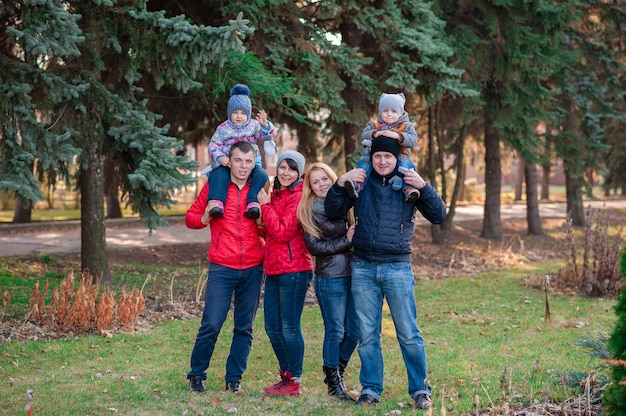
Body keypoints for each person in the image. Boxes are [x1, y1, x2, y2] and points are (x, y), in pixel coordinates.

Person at [325, 136, 447, 410]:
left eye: (388, 157)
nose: (382, 161)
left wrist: (424, 187)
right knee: (368, 334)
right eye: (378, 156)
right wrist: (339, 182)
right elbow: (333, 210)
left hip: (397, 268)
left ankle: (420, 390)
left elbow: (439, 216)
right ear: (372, 158)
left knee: (408, 333)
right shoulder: (361, 182)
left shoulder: (408, 184)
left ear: (396, 158)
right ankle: (370, 389)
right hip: (363, 267)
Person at [185, 141, 266, 395]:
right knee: (211, 323)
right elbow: (190, 218)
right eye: (239, 161)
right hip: (222, 267)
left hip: (253, 267)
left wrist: (264, 218)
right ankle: (197, 374)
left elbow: (268, 228)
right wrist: (205, 217)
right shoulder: (215, 186)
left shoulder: (260, 187)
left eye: (248, 161)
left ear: (254, 163)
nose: (243, 166)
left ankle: (234, 378)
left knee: (244, 327)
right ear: (228, 161)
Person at [297, 162, 359, 401]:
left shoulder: (346, 202)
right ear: (310, 188)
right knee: (335, 331)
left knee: (355, 331)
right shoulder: (309, 210)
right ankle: (333, 381)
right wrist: (346, 240)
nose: (322, 184)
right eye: (316, 182)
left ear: (333, 179)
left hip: (356, 274)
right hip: (330, 277)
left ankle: (337, 371)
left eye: (325, 179)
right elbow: (315, 247)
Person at [258, 150, 314, 397]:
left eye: (292, 169)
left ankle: (295, 380)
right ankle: (286, 375)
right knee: (272, 326)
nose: (286, 172)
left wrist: (265, 207)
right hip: (274, 268)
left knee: (290, 326)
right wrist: (262, 219)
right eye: (283, 167)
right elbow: (271, 233)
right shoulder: (277, 194)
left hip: (295, 269)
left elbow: (283, 232)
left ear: (299, 173)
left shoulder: (299, 196)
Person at [205, 84, 277, 220]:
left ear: (248, 114)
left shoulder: (254, 125)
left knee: (261, 175)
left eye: (243, 113)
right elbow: (213, 144)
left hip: (251, 162)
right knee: (218, 175)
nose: (239, 116)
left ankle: (253, 203)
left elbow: (267, 135)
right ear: (229, 113)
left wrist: (265, 125)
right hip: (229, 162)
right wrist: (220, 157)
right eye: (235, 112)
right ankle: (217, 204)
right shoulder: (223, 128)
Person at [345, 92, 420, 204]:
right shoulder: (374, 125)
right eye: (385, 111)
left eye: (394, 111)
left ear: (400, 112)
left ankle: (409, 190)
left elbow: (413, 139)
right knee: (363, 167)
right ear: (381, 111)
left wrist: (399, 136)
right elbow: (364, 135)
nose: (389, 114)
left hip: (402, 156)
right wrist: (375, 134)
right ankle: (356, 186)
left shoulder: (406, 126)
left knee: (406, 169)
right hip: (372, 155)